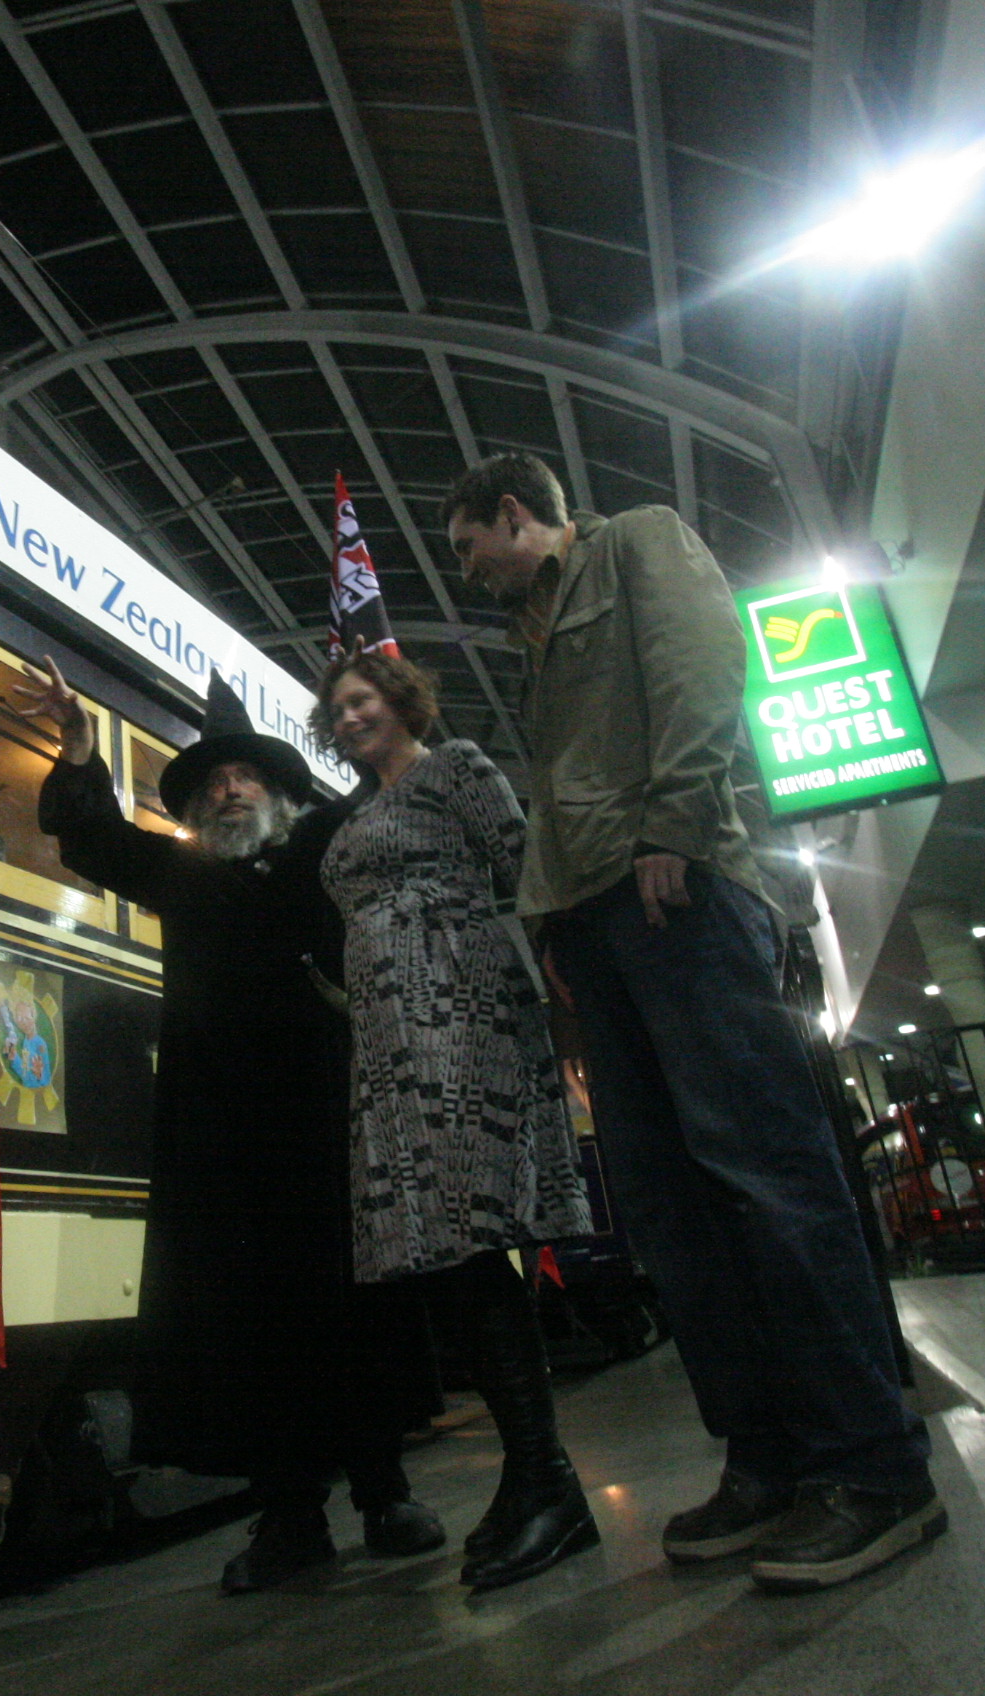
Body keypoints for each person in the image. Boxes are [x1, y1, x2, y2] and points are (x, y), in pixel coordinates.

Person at [442, 452, 940, 1593]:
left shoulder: (638, 541)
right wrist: (553, 928)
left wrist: (672, 818)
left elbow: (706, 667)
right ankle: (766, 1460)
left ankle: (875, 1469)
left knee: (766, 1176)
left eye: (470, 546)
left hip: (680, 891)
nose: (467, 571)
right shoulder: (535, 634)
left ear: (513, 514)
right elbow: (563, 790)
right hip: (596, 923)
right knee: (671, 1209)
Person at [13, 660, 444, 1594]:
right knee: (253, 1329)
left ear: (281, 794)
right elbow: (93, 838)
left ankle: (385, 1494)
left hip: (329, 1120)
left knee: (354, 1308)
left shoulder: (324, 844)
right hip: (224, 1143)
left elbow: (392, 804)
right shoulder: (181, 873)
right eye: (213, 783)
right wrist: (78, 748)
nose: (229, 790)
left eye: (245, 776)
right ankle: (291, 1518)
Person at [311, 646, 598, 1593]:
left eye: (361, 700)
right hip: (391, 1039)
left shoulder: (457, 767)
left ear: (400, 699)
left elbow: (527, 869)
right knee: (442, 1247)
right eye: (336, 710)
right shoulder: (355, 813)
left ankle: (548, 1481)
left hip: (461, 1008)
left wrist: (568, 999)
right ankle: (534, 1476)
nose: (348, 718)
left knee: (472, 1238)